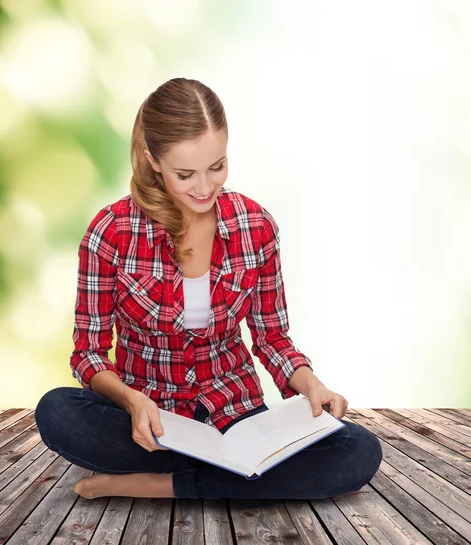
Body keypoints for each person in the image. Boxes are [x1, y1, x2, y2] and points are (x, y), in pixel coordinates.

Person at [35, 77, 383, 500]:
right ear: (153, 160)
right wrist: (131, 401)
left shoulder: (255, 225)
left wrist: (311, 384)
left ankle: (162, 485)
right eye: (186, 174)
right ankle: (235, 478)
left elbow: (272, 338)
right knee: (57, 412)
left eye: (217, 167)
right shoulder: (111, 232)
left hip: (235, 412)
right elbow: (87, 352)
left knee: (357, 450)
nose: (204, 188)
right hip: (152, 421)